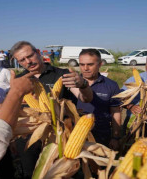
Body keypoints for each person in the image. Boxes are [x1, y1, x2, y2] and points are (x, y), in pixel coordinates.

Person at [11, 41, 93, 178]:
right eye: (22, 60)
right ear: (18, 62)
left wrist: (83, 85)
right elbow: (14, 111)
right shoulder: (19, 80)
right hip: (29, 137)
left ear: (38, 52)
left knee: (59, 174)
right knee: (32, 174)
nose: (28, 62)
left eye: (30, 56)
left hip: (58, 137)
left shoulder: (62, 75)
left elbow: (86, 99)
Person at [76, 49, 121, 149]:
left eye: (90, 64)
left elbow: (116, 112)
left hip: (101, 134)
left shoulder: (111, 85)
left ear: (100, 64)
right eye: (82, 64)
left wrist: (115, 137)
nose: (85, 68)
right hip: (74, 134)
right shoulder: (71, 84)